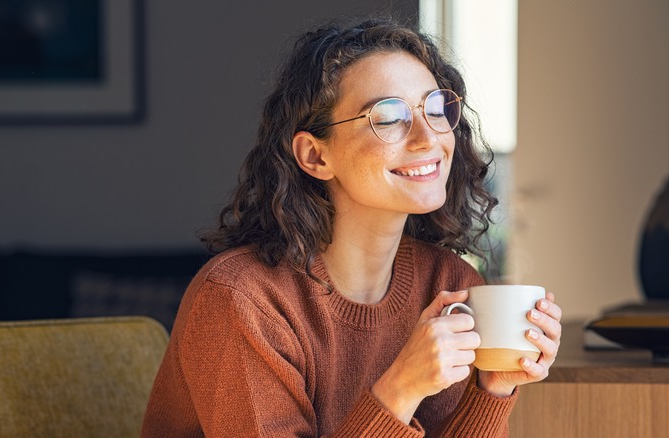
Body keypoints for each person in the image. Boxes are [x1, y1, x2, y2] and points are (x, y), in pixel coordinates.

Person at [141, 16, 562, 437]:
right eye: (389, 117)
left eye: (435, 109)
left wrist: (492, 388)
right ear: (315, 156)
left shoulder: (449, 284)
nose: (428, 138)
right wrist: (401, 389)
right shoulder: (243, 301)